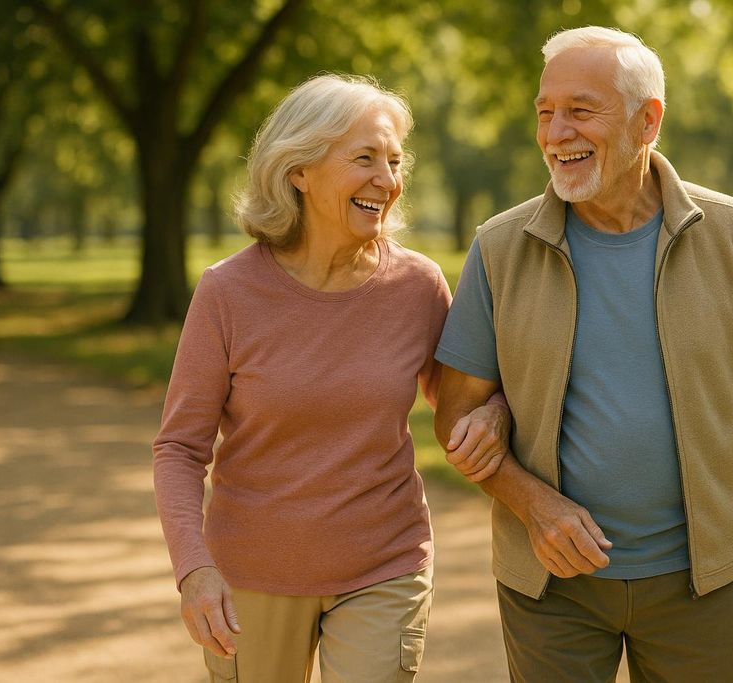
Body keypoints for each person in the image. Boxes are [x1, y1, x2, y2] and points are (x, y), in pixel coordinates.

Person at [434, 26, 733, 682]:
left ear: (648, 121)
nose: (557, 133)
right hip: (551, 588)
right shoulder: (499, 249)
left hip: (704, 583)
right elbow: (454, 420)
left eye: (581, 110)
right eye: (545, 112)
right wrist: (533, 503)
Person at [153, 74, 506, 683]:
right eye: (364, 158)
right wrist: (194, 570)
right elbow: (180, 449)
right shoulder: (227, 293)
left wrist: (494, 412)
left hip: (385, 561)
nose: (387, 181)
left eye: (394, 162)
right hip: (252, 574)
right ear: (298, 171)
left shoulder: (418, 286)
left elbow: (459, 402)